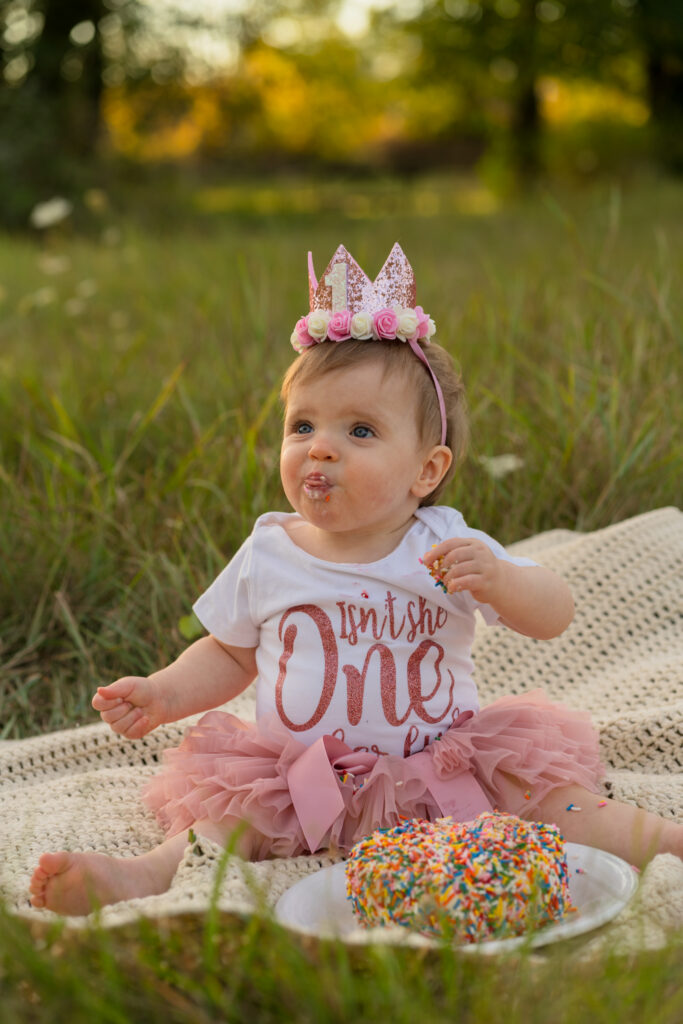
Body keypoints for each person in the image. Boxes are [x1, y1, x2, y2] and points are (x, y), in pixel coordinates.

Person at [29, 244, 683, 916]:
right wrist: (163, 692)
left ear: (425, 471)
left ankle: (662, 841)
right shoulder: (270, 551)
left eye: (360, 430)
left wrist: (500, 581)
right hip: (300, 774)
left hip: (444, 766)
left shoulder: (447, 542)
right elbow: (229, 651)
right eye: (302, 425)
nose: (319, 446)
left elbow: (553, 613)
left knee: (553, 802)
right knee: (230, 823)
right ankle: (140, 876)